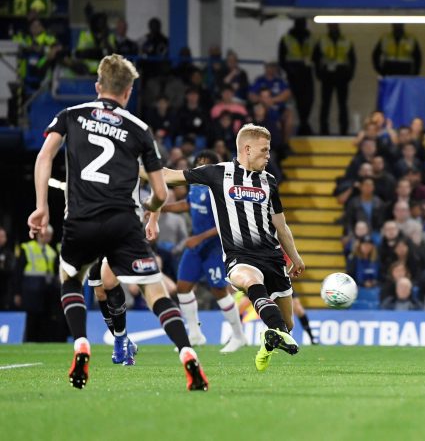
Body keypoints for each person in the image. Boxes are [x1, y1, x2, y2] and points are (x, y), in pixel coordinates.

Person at [29, 54, 208, 390]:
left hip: (80, 220)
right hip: (124, 222)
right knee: (155, 293)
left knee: (71, 278)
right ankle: (186, 352)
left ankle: (82, 343)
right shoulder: (139, 129)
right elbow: (159, 190)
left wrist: (42, 207)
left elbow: (44, 156)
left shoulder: (70, 115)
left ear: (98, 86)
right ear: (128, 93)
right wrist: (151, 211)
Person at [147, 123, 308, 372]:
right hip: (239, 256)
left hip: (273, 257)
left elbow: (281, 226)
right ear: (247, 149)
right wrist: (126, 167)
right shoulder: (217, 173)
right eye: (264, 150)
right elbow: (168, 175)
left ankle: (272, 337)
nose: (268, 156)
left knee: (287, 325)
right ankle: (272, 330)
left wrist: (295, 258)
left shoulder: (270, 181)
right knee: (249, 280)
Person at [159, 150, 245, 353]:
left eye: (205, 164)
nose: (200, 166)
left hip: (214, 247)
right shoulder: (195, 187)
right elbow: (188, 205)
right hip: (196, 247)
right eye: (198, 163)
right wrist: (162, 208)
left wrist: (198, 237)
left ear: (214, 168)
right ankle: (195, 334)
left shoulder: (219, 189)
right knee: (182, 287)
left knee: (219, 291)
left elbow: (224, 224)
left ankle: (239, 336)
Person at [313, 23, 356, 136]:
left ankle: (344, 129)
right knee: (325, 103)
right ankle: (324, 129)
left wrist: (350, 74)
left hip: (342, 74)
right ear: (328, 26)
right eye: (331, 25)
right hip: (327, 74)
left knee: (342, 103)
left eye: (335, 25)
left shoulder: (346, 40)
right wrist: (319, 74)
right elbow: (315, 58)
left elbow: (352, 59)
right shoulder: (322, 40)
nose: (333, 27)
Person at [278, 18, 315, 136]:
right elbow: (282, 59)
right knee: (292, 102)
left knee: (307, 102)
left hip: (307, 73)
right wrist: (290, 71)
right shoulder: (286, 39)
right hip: (293, 74)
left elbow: (315, 56)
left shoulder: (310, 38)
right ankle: (293, 128)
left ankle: (304, 125)